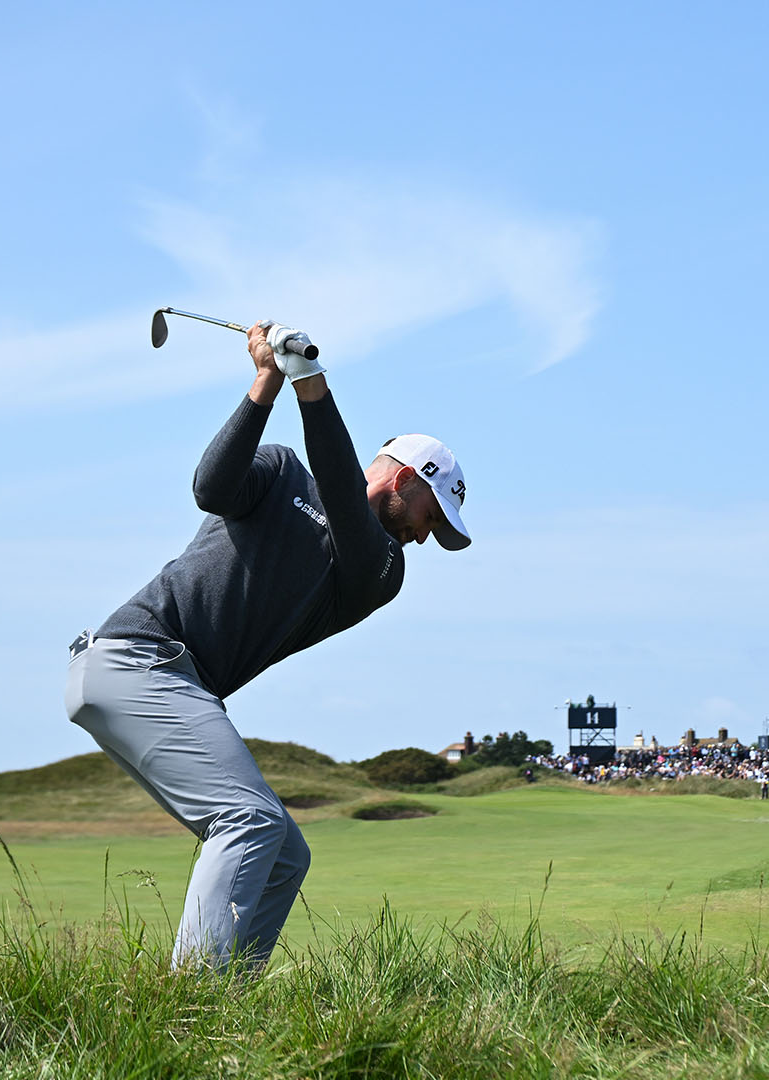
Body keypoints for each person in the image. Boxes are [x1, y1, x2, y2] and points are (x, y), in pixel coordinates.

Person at [63, 322, 471, 973]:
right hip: (137, 658)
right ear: (405, 481)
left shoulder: (381, 569)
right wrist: (270, 380)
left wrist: (310, 382)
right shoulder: (281, 469)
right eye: (434, 516)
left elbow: (343, 500)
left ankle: (232, 1004)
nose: (428, 536)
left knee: (284, 852)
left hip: (165, 679)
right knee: (248, 823)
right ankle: (192, 1013)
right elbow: (210, 487)